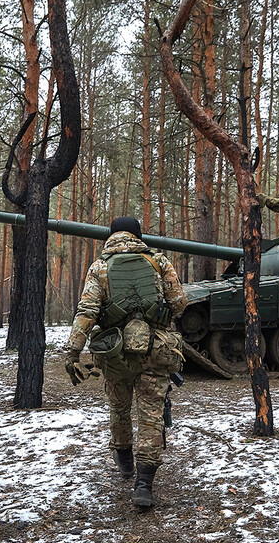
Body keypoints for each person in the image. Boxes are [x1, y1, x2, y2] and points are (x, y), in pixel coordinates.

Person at [64, 216, 188, 509]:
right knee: (151, 415)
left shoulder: (100, 267)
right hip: (154, 350)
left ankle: (125, 462)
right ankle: (143, 485)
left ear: (110, 236)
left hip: (115, 352)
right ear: (138, 235)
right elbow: (179, 303)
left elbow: (87, 311)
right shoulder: (159, 262)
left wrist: (73, 351)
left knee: (119, 408)